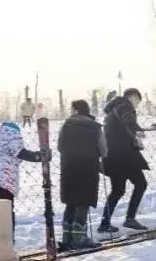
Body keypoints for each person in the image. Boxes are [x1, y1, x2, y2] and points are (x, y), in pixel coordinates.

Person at [99, 88, 149, 234]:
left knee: (117, 190)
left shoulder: (111, 111)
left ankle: (104, 223)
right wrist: (136, 130)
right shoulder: (125, 106)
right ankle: (130, 218)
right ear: (132, 97)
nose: (137, 105)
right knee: (141, 184)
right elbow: (128, 119)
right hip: (125, 156)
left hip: (111, 156)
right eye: (137, 101)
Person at [57, 100, 105, 249]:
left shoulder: (67, 125)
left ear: (76, 110)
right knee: (83, 201)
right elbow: (104, 150)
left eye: (72, 109)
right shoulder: (96, 127)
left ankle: (67, 237)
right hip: (88, 168)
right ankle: (79, 238)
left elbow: (60, 146)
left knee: (71, 200)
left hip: (69, 167)